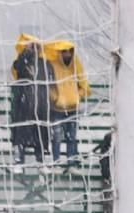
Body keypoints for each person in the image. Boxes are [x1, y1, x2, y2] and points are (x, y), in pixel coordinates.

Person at [10, 41, 54, 175]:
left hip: (40, 104)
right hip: (24, 105)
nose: (34, 50)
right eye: (31, 47)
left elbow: (50, 80)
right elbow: (17, 69)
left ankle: (40, 162)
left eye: (36, 47)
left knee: (40, 134)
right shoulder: (21, 62)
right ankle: (18, 162)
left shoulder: (45, 64)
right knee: (21, 134)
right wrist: (25, 54)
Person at [47, 41, 91, 175]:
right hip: (57, 108)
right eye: (64, 51)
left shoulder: (76, 64)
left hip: (72, 107)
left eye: (69, 51)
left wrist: (79, 95)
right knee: (57, 137)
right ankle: (57, 163)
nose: (67, 53)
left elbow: (83, 82)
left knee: (71, 136)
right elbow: (49, 84)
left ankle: (71, 163)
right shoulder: (52, 64)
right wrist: (55, 97)